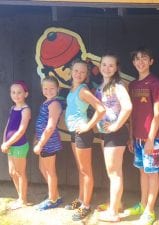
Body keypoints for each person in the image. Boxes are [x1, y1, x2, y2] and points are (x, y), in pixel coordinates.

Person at [125, 47, 159, 225]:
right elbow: (132, 114)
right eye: (137, 59)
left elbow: (157, 114)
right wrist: (131, 136)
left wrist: (150, 138)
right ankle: (142, 204)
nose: (140, 61)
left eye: (144, 58)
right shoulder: (132, 85)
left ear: (151, 61)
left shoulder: (155, 83)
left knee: (152, 173)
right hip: (137, 138)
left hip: (151, 138)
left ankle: (150, 211)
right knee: (142, 172)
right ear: (133, 63)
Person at [64, 59, 105, 221]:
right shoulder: (73, 89)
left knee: (86, 171)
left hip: (82, 133)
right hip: (74, 132)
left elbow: (101, 109)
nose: (79, 74)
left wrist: (88, 126)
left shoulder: (83, 90)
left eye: (82, 71)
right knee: (81, 169)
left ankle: (86, 206)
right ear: (71, 72)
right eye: (76, 71)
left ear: (86, 74)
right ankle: (81, 199)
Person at [95, 54, 132, 222]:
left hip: (115, 133)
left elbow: (128, 107)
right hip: (107, 133)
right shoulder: (102, 86)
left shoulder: (117, 85)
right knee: (114, 173)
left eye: (111, 65)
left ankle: (113, 214)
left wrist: (116, 125)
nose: (107, 68)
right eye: (104, 64)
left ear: (117, 68)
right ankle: (117, 204)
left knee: (114, 173)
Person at [33, 76, 63, 211]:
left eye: (52, 88)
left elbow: (50, 127)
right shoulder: (46, 102)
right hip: (43, 141)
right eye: (45, 88)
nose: (48, 91)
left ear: (58, 89)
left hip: (49, 142)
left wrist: (40, 144)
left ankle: (53, 200)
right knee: (42, 168)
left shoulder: (54, 104)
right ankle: (54, 193)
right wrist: (37, 140)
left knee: (50, 171)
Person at [1, 81, 31, 210]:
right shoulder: (13, 108)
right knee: (12, 172)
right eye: (13, 92)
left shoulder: (26, 110)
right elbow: (8, 127)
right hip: (10, 145)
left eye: (19, 92)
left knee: (20, 172)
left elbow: (21, 130)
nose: (16, 95)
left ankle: (23, 200)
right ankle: (20, 196)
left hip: (19, 145)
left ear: (26, 94)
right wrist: (4, 141)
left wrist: (8, 142)